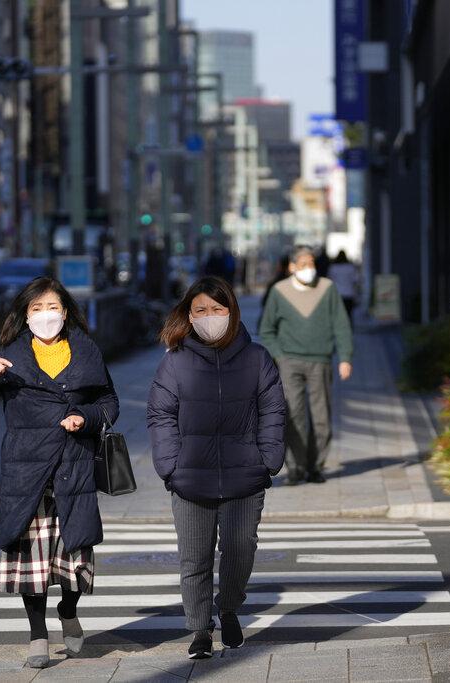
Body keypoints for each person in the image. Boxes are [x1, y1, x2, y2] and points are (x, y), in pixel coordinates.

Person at [0, 277, 118, 669]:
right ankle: (37, 634)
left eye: (53, 308)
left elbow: (109, 401)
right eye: (37, 308)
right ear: (25, 315)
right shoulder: (11, 357)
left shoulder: (85, 350)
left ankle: (68, 611)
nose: (46, 315)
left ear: (66, 312)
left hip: (73, 468)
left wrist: (85, 417)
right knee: (33, 565)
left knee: (75, 559)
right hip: (27, 472)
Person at [147, 276, 286, 659]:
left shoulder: (257, 358)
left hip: (246, 475)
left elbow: (273, 410)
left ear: (232, 311)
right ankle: (199, 629)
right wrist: (170, 466)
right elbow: (160, 414)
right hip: (190, 478)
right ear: (189, 316)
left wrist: (268, 459)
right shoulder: (175, 362)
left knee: (240, 551)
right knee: (194, 559)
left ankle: (228, 608)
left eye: (217, 309)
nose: (210, 316)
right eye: (201, 310)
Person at [259, 246, 353, 485]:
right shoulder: (279, 291)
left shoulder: (327, 288)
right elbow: (266, 330)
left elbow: (341, 324)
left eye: (311, 263)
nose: (309, 268)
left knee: (322, 417)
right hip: (289, 362)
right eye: (303, 264)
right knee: (293, 415)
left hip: (320, 360)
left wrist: (345, 357)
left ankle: (316, 467)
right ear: (292, 267)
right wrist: (279, 356)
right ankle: (295, 467)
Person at [327, 250, 359, 326]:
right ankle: (348, 329)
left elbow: (329, 281)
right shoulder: (350, 268)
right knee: (348, 315)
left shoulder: (333, 268)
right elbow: (355, 281)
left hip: (337, 294)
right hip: (349, 294)